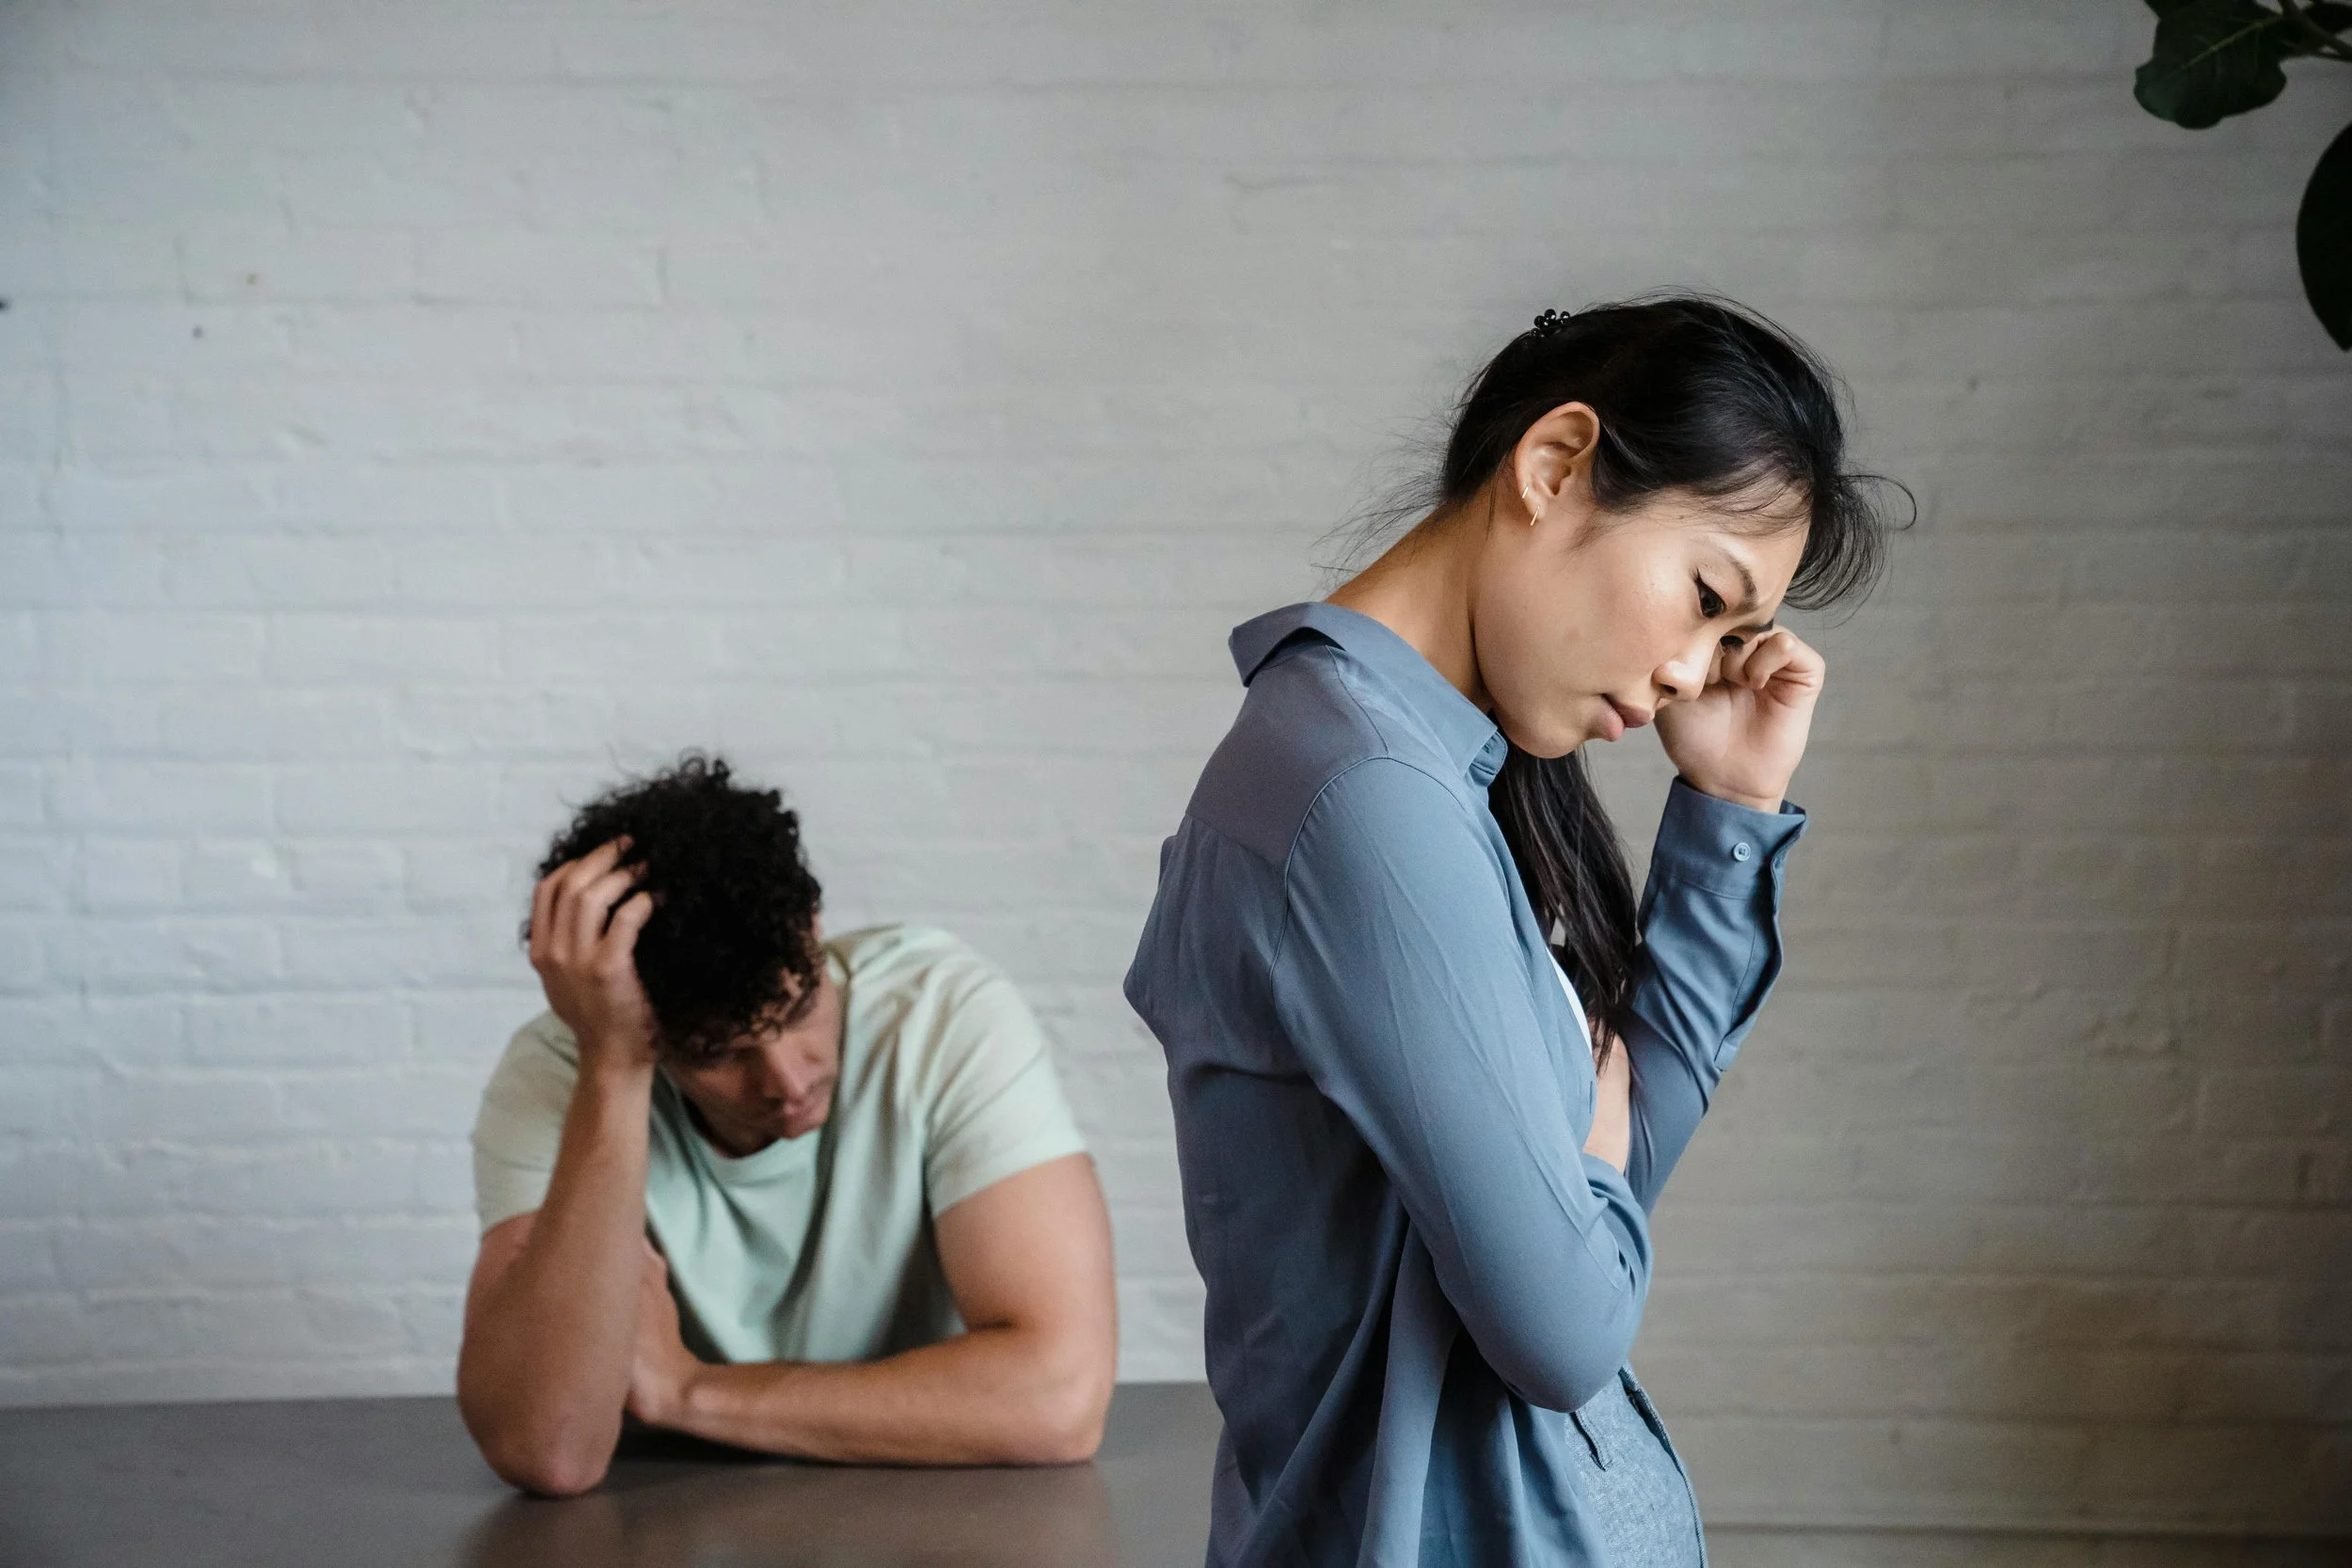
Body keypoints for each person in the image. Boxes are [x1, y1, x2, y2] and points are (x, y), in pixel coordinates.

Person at [1124, 296, 1900, 1565]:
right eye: (1706, 595)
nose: (1689, 677)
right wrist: (1587, 1154)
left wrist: (1728, 809)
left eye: (1734, 636)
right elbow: (1563, 1331)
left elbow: (1608, 1182)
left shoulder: (1436, 780)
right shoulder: (1363, 798)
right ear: (1553, 465)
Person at [457, 754, 1117, 1497]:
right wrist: (614, 1067)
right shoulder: (560, 1074)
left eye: (802, 1008)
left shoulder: (940, 1016)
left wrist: (686, 1390)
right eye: (719, 1052)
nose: (788, 1080)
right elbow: (548, 1448)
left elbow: (1058, 1400)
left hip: (923, 1515)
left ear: (815, 929)